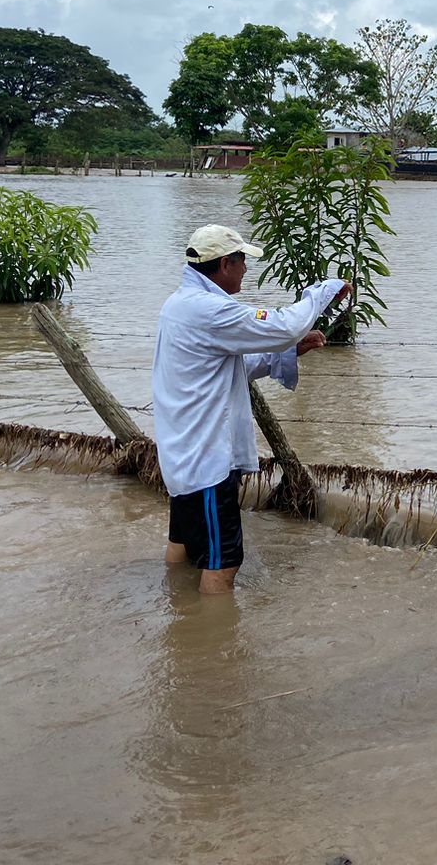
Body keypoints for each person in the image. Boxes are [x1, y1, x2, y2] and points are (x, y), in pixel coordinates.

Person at [153, 224, 349, 594]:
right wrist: (322, 292)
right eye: (243, 261)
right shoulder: (211, 310)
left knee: (183, 542)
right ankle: (208, 643)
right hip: (207, 461)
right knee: (223, 560)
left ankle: (174, 604)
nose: (246, 269)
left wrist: (288, 351)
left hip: (183, 452)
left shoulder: (179, 304)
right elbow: (283, 325)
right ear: (225, 264)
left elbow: (227, 368)